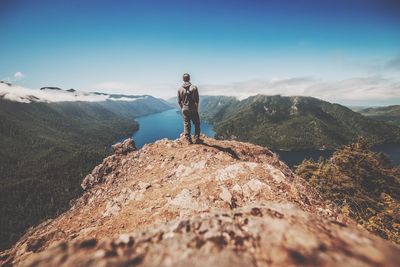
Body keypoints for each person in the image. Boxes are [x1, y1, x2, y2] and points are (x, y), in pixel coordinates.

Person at [178, 73, 202, 144]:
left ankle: (188, 139)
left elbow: (179, 101)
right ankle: (197, 138)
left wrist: (183, 108)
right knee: (197, 123)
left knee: (186, 123)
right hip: (193, 108)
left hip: (185, 109)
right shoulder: (194, 87)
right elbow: (197, 99)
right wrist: (196, 108)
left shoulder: (180, 89)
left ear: (183, 79)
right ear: (189, 78)